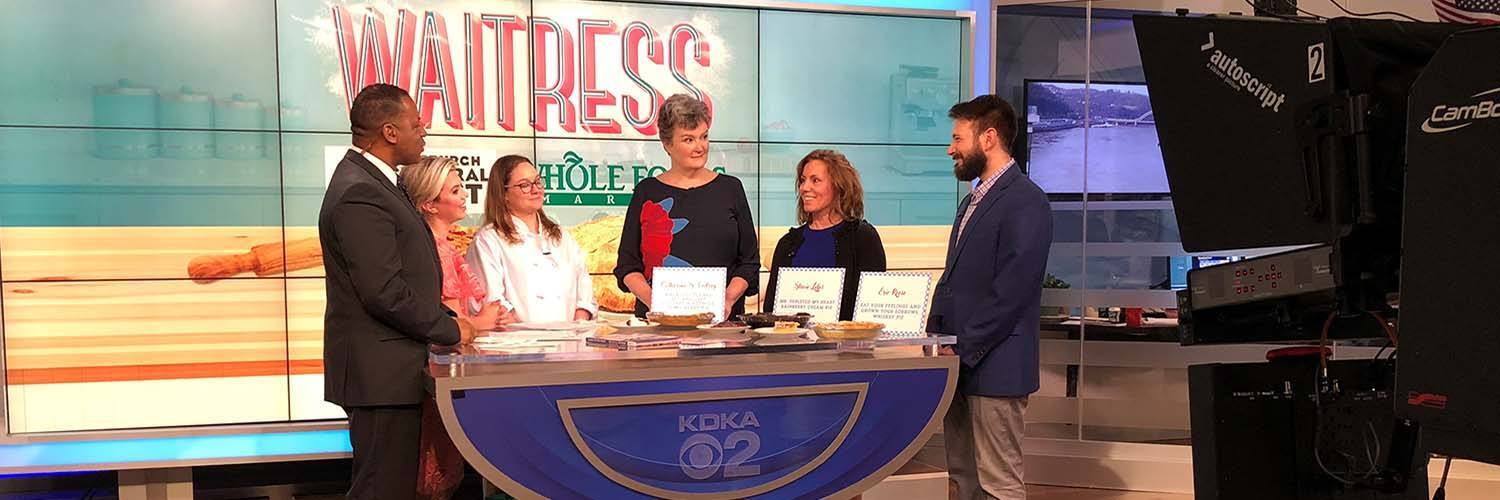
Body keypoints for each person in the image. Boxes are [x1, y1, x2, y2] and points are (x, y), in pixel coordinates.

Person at [318, 83, 473, 500]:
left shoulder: (378, 182)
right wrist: (451, 329)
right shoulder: (360, 191)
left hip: (393, 368)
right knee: (381, 489)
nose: (423, 132)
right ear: (389, 131)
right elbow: (382, 290)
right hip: (380, 372)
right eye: (416, 124)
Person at [927, 95, 1053, 500]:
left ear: (989, 138)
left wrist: (961, 346)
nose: (951, 149)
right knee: (962, 478)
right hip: (960, 365)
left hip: (996, 367)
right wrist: (936, 338)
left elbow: (1012, 291)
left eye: (957, 138)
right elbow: (952, 281)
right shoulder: (971, 201)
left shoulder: (1026, 200)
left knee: (998, 484)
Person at [400, 156, 508, 500]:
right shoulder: (429, 251)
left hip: (451, 369)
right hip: (436, 373)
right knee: (433, 474)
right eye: (456, 190)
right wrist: (478, 323)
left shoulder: (445, 246)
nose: (465, 196)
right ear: (430, 203)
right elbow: (439, 316)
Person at [614, 94, 759, 321]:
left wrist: (729, 299)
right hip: (658, 329)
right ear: (667, 144)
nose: (700, 147)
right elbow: (627, 265)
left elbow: (749, 262)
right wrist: (656, 304)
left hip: (721, 327)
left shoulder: (731, 189)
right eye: (689, 139)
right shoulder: (647, 192)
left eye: (704, 137)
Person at [466, 155, 597, 323]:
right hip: (517, 345)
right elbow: (491, 302)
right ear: (503, 194)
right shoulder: (489, 240)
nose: (536, 190)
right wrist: (524, 334)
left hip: (568, 342)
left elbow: (584, 291)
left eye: (537, 181)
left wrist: (578, 326)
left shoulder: (561, 237)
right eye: (525, 185)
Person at [763, 149, 886, 321]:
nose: (805, 188)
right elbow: (770, 311)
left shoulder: (862, 237)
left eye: (816, 180)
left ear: (838, 186)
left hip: (845, 345)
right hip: (791, 344)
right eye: (803, 180)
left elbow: (872, 307)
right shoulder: (788, 243)